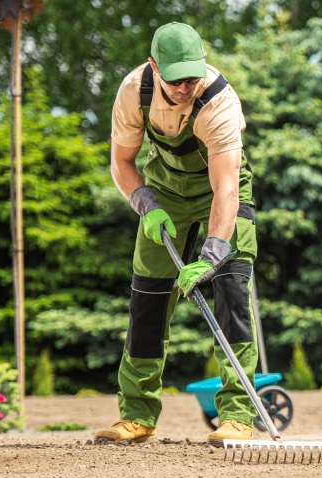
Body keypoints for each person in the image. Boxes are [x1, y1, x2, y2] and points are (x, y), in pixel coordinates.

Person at [95, 22, 258, 446]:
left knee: (231, 293)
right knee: (147, 299)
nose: (185, 87)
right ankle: (137, 416)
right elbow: (122, 163)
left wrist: (213, 252)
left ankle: (238, 416)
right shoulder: (134, 92)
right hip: (164, 191)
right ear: (154, 67)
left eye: (192, 77)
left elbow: (225, 189)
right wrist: (146, 205)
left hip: (222, 194)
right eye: (176, 79)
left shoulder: (218, 100)